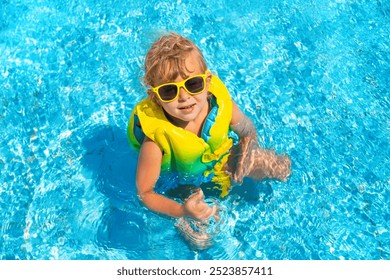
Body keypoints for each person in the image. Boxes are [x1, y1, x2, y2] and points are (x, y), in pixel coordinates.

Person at [127, 32, 291, 226]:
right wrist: (182, 210)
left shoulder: (219, 104)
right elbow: (145, 193)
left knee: (281, 167)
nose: (184, 96)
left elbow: (247, 131)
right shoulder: (155, 143)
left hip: (224, 161)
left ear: (207, 82)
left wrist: (246, 155)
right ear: (155, 97)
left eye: (193, 84)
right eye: (169, 90)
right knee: (202, 238)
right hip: (185, 185)